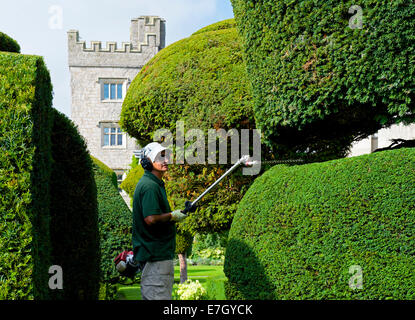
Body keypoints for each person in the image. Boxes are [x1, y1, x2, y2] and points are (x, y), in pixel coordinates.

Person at [132, 142, 193, 300]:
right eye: (160, 157)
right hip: (155, 258)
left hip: (158, 257)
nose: (166, 160)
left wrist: (180, 213)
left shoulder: (155, 184)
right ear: (147, 161)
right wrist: (173, 216)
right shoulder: (149, 186)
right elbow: (151, 219)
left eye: (166, 155)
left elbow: (158, 217)